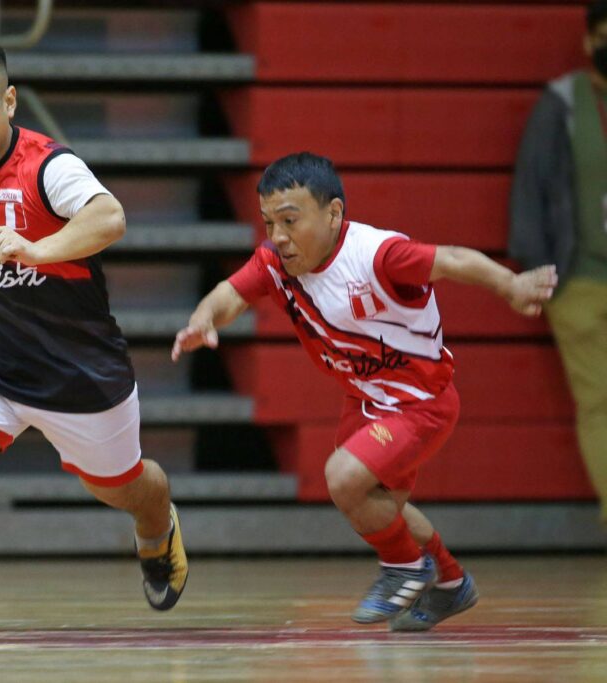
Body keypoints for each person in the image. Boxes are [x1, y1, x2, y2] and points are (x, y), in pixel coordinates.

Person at [173, 152, 556, 630]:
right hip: (367, 399)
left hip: (421, 404)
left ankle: (404, 568)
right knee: (378, 506)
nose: (278, 237)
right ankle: (451, 583)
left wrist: (512, 285)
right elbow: (233, 292)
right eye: (269, 222)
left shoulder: (378, 256)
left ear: (333, 213)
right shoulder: (276, 261)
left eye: (290, 220)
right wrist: (204, 318)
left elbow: (454, 260)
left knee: (343, 478)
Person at [0, 34, 188, 610]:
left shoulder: (49, 166)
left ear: (8, 102)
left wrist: (37, 249)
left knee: (123, 487)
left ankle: (157, 529)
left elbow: (110, 217)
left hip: (78, 371)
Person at [510, 0, 607, 526]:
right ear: (590, 40)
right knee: (600, 403)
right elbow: (531, 188)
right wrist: (540, 273)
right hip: (581, 279)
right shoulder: (562, 103)